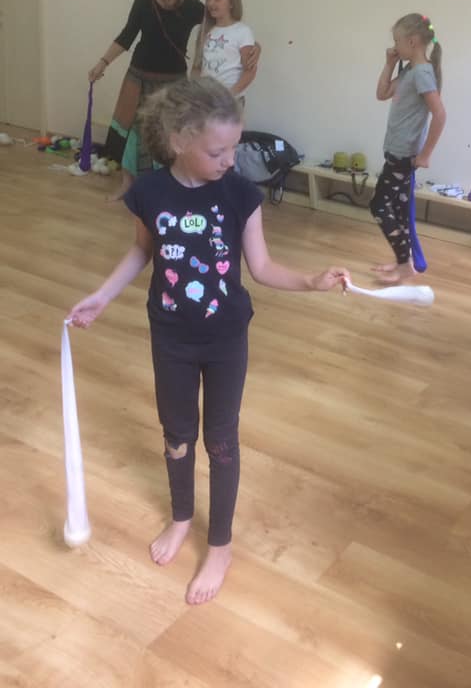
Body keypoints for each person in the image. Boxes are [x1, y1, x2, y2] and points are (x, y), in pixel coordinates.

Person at [67, 77, 347, 605]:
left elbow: (261, 266)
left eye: (233, 148)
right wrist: (102, 296)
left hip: (225, 340)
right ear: (178, 140)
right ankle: (180, 518)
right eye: (218, 151)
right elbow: (142, 251)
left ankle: (220, 545)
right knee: (177, 434)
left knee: (220, 440)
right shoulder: (149, 192)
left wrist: (311, 281)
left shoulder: (240, 193)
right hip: (170, 337)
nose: (229, 160)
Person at [88, 0, 205, 201]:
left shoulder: (193, 8)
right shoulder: (143, 1)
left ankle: (165, 189)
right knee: (133, 133)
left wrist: (254, 47)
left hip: (173, 82)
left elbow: (224, 25)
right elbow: (127, 36)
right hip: (138, 77)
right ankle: (128, 185)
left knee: (170, 135)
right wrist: (102, 63)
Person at [370, 13, 446, 284]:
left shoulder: (422, 73)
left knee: (379, 206)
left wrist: (425, 154)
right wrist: (389, 63)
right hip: (397, 151)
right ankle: (406, 263)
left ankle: (404, 263)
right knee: (398, 208)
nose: (394, 46)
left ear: (412, 42)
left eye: (397, 41)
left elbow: (440, 115)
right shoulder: (409, 71)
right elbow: (381, 93)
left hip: (403, 155)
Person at [191, 0, 260, 115]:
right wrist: (197, 92)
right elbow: (196, 67)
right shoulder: (204, 30)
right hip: (207, 101)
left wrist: (229, 95)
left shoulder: (242, 31)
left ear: (231, 2)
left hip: (231, 101)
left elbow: (249, 71)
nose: (211, 3)